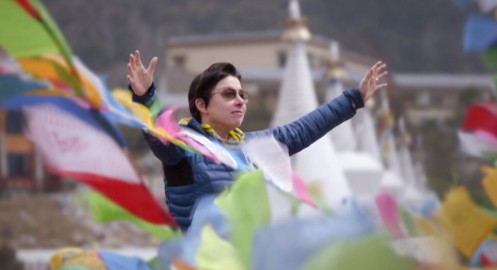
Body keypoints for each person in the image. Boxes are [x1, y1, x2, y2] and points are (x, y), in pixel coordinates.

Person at [127, 50, 388, 231]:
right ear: (201, 104)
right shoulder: (183, 148)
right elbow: (160, 133)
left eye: (243, 94)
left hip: (253, 268)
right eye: (229, 94)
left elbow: (304, 129)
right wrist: (146, 96)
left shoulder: (255, 146)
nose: (240, 101)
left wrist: (354, 99)